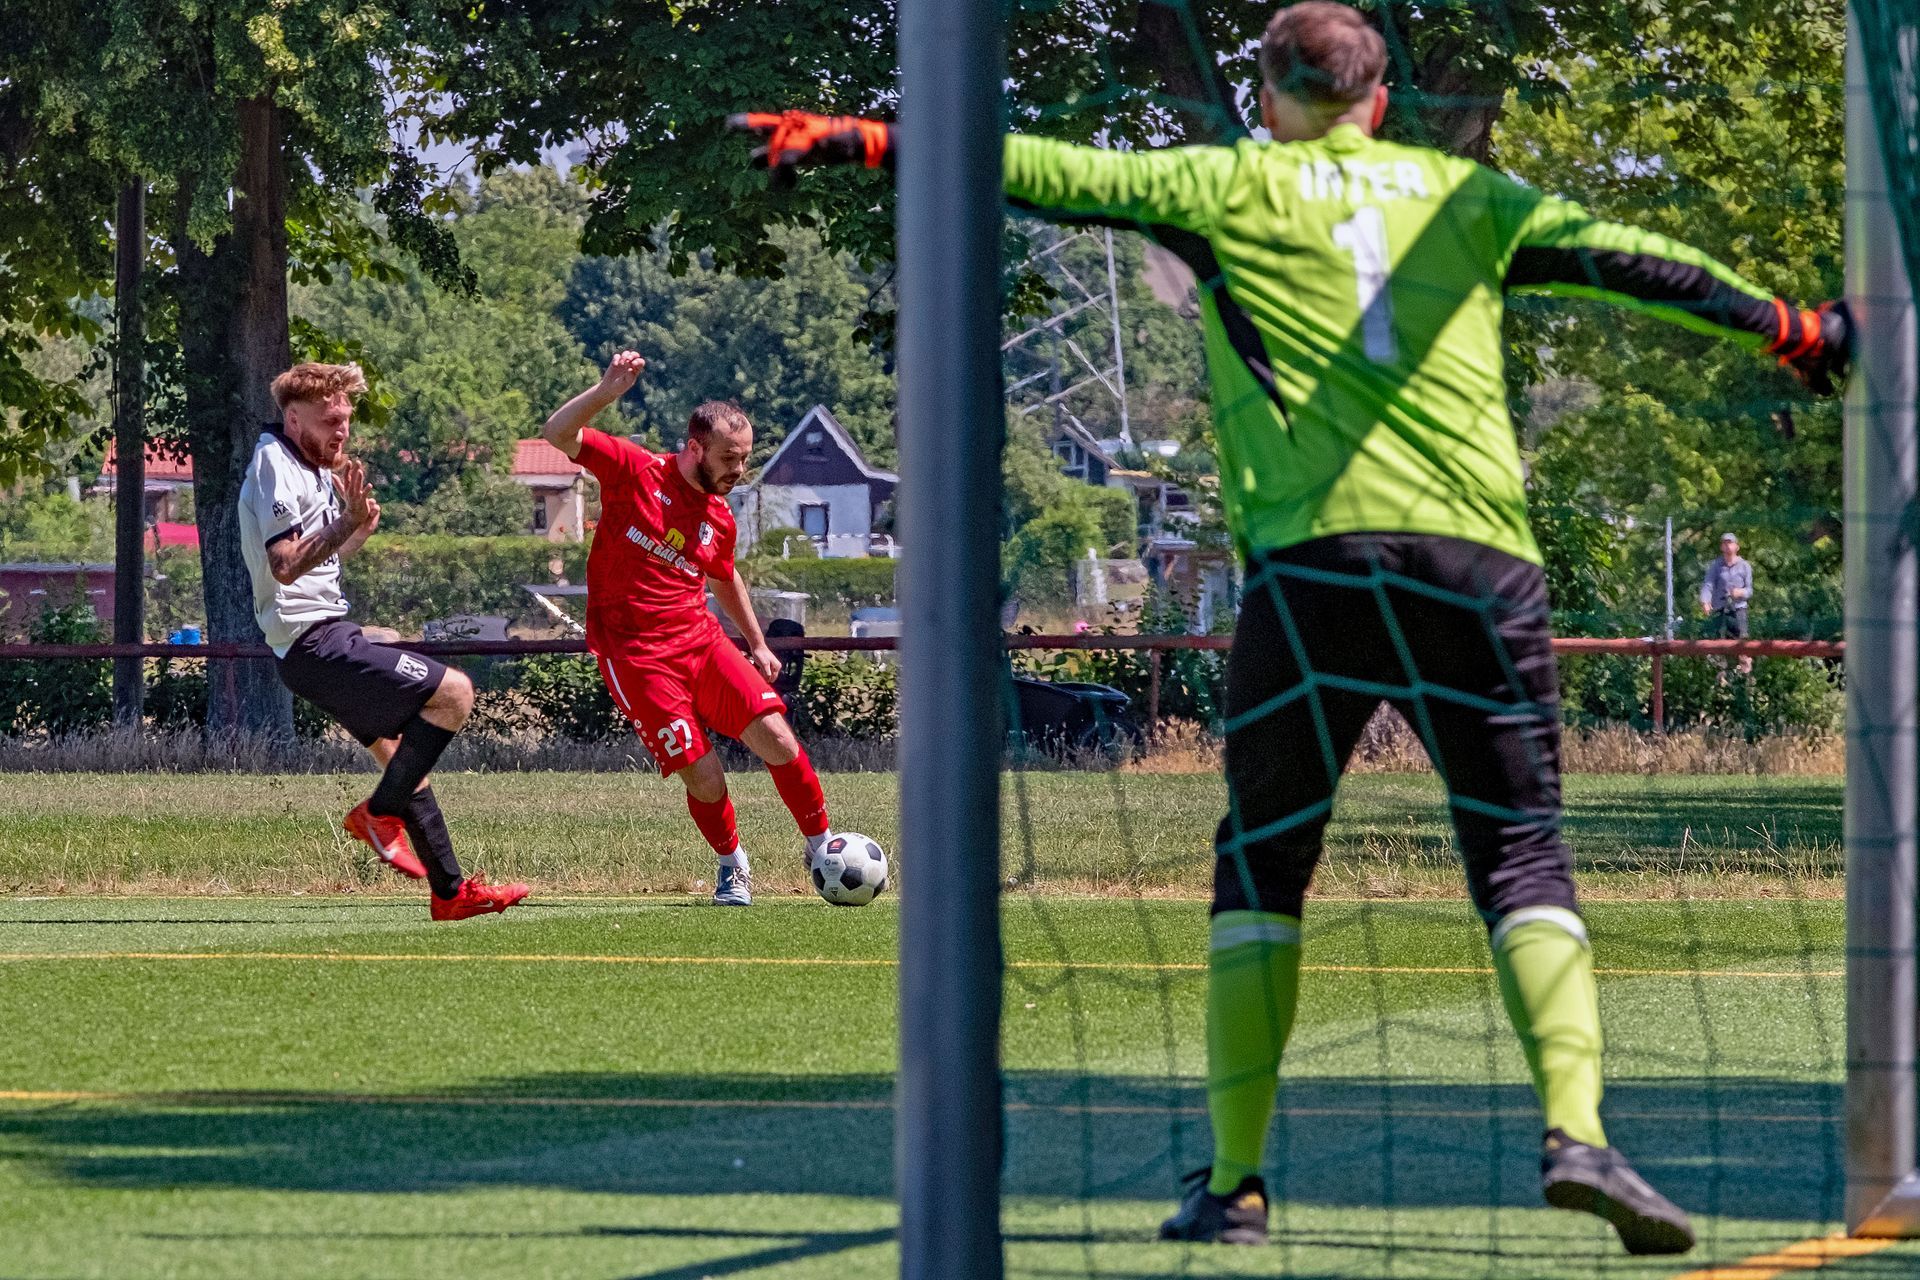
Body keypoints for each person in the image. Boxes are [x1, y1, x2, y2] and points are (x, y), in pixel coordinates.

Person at [735, 0, 1850, 1255]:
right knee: (1522, 855)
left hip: (1312, 569)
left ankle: (1237, 1182)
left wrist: (863, 138)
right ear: (1381, 100)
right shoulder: (1465, 195)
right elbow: (1637, 258)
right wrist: (1794, 329)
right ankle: (1577, 1128)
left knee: (1264, 867)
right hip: (1476, 570)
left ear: (1267, 98)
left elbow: (1038, 167)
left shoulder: (1226, 186)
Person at [539, 353, 836, 906]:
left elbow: (724, 577)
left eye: (745, 458)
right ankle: (733, 865)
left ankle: (824, 850)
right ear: (695, 448)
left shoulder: (719, 517)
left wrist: (757, 642)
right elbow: (557, 432)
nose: (738, 470)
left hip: (701, 642)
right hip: (635, 657)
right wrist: (606, 391)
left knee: (777, 736)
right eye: (729, 458)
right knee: (702, 772)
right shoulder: (634, 470)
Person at [238, 362, 529, 921]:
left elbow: (320, 562)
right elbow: (286, 566)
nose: (342, 431)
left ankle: (450, 893)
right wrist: (344, 521)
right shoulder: (275, 462)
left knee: (404, 761)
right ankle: (378, 813)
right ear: (293, 419)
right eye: (330, 421)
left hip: (314, 644)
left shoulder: (310, 467)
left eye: (346, 419)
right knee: (455, 694)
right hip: (314, 645)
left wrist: (354, 529)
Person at [1702, 533, 1756, 674]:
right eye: (1724, 543)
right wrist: (1705, 601)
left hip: (1738, 610)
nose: (1727, 546)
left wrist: (1740, 592)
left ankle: (1745, 673)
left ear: (1737, 546)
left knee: (1742, 643)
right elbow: (1708, 584)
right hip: (1720, 609)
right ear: (1721, 547)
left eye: (1730, 543)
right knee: (1718, 643)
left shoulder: (1744, 566)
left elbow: (1750, 590)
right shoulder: (1716, 566)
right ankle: (1722, 675)